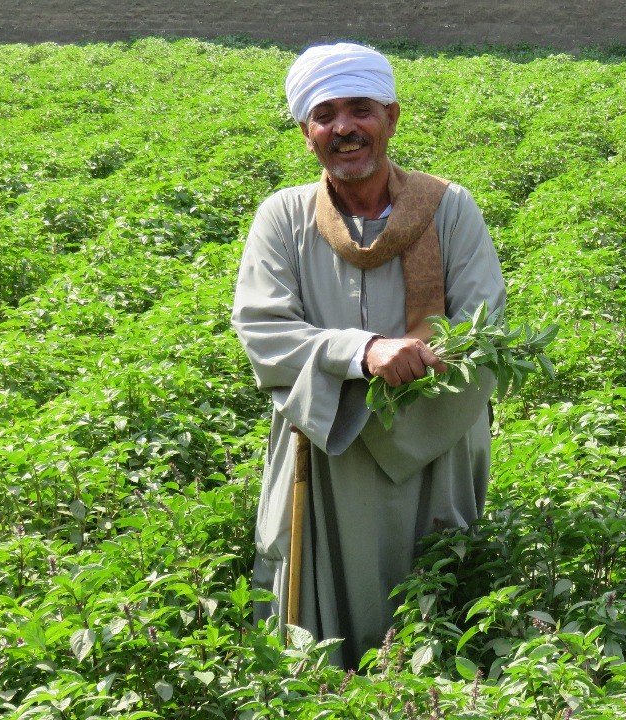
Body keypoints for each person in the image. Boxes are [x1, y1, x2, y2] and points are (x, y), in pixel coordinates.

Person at [230, 42, 504, 669]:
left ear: (392, 118)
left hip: (435, 447)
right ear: (307, 133)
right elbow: (263, 328)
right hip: (325, 448)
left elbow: (483, 327)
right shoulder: (283, 217)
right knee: (321, 621)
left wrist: (421, 365)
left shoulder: (449, 208)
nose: (344, 128)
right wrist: (364, 352)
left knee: (437, 601)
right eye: (325, 115)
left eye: (361, 110)